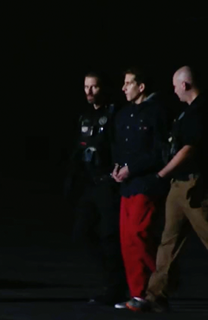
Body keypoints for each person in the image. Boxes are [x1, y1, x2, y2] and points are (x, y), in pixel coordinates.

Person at [126, 66, 208, 313]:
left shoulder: (202, 110)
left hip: (196, 187)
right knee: (169, 242)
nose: (174, 91)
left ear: (185, 85)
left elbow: (189, 149)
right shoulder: (187, 112)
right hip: (179, 186)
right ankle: (155, 295)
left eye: (176, 86)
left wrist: (161, 173)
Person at [111, 67, 170, 309]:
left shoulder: (156, 112)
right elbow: (118, 147)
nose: (124, 88)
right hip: (126, 185)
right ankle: (138, 293)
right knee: (127, 239)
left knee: (140, 234)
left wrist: (132, 169)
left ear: (141, 86)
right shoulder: (124, 114)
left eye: (128, 83)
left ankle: (158, 288)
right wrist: (116, 167)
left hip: (146, 182)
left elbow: (159, 152)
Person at [67, 71, 127, 306]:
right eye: (85, 87)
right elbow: (78, 149)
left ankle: (115, 287)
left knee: (109, 237)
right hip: (90, 184)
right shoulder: (85, 117)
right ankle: (113, 280)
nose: (89, 92)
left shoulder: (114, 115)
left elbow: (120, 147)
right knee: (82, 232)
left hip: (108, 184)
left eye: (94, 87)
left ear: (104, 88)